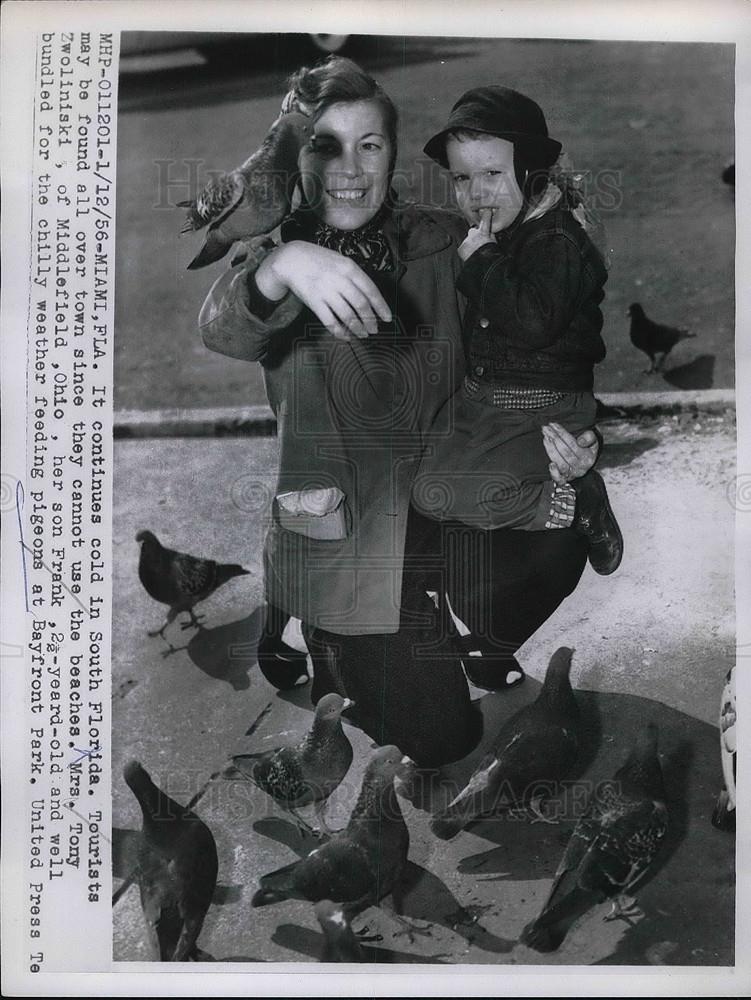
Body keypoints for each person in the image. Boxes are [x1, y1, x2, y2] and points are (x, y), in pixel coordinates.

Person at [198, 57, 599, 764]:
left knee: (561, 532)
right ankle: (298, 611)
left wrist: (579, 441)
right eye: (326, 145)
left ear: (391, 153)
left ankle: (468, 632)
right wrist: (285, 263)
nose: (350, 169)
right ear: (300, 155)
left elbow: (539, 328)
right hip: (340, 531)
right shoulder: (276, 252)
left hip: (437, 498)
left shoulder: (444, 239)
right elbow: (225, 327)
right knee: (443, 741)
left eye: (370, 145)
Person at [412, 86, 623, 580]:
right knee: (423, 488)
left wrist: (482, 261)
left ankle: (576, 503)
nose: (476, 193)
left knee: (469, 495)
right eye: (462, 178)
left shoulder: (558, 240)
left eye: (492, 174)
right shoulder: (504, 228)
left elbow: (533, 322)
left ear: (531, 173)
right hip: (486, 399)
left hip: (543, 408)